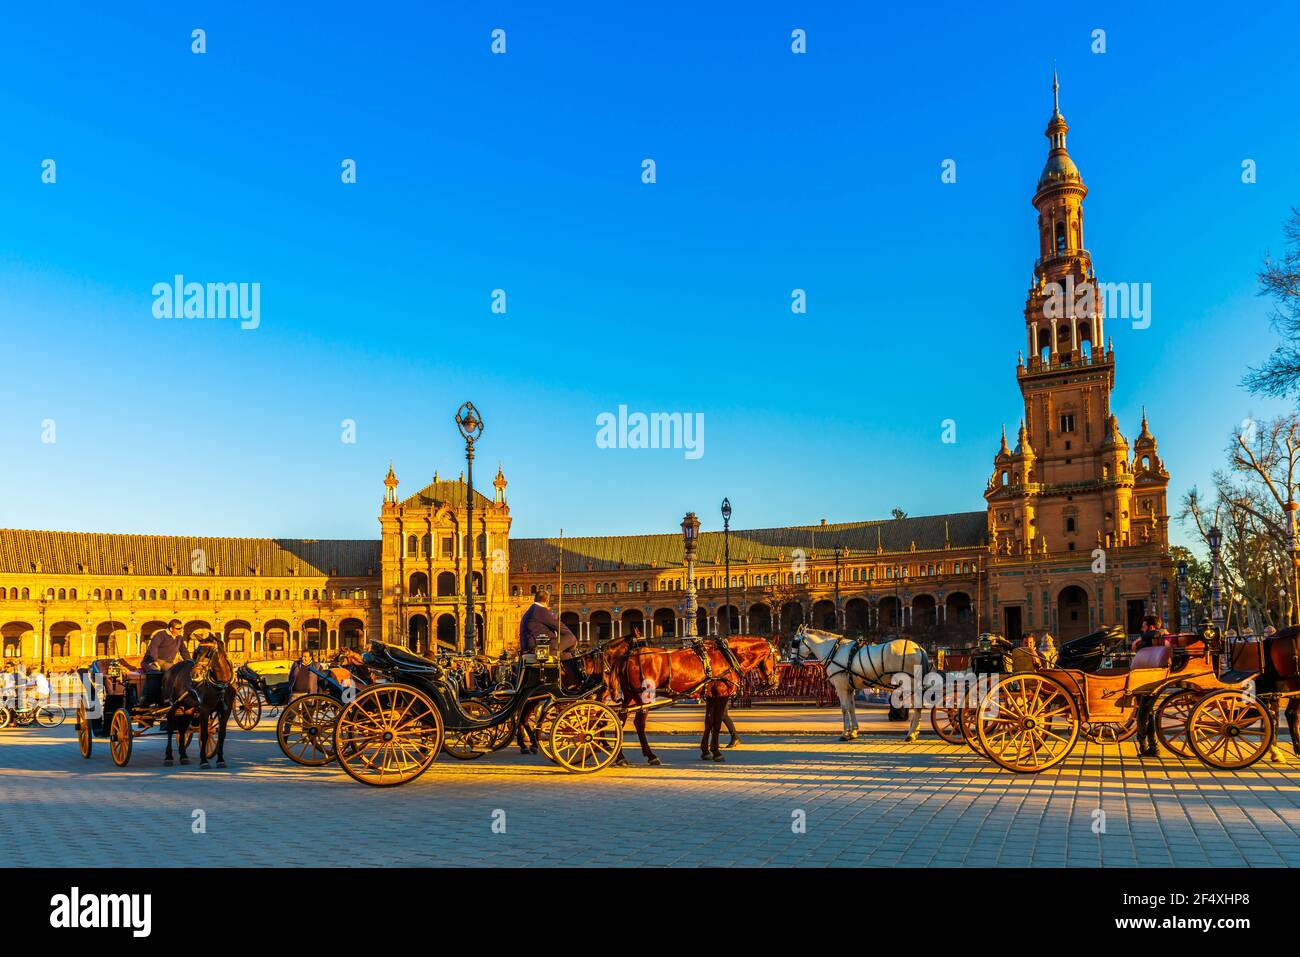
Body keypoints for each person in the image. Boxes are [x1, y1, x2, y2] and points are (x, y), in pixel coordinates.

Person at [518, 591, 584, 688]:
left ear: (535, 599)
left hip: (533, 647)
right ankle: (578, 681)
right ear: (547, 601)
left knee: (566, 655)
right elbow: (562, 628)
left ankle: (573, 682)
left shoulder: (529, 611)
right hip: (541, 649)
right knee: (571, 638)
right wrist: (570, 646)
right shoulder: (540, 610)